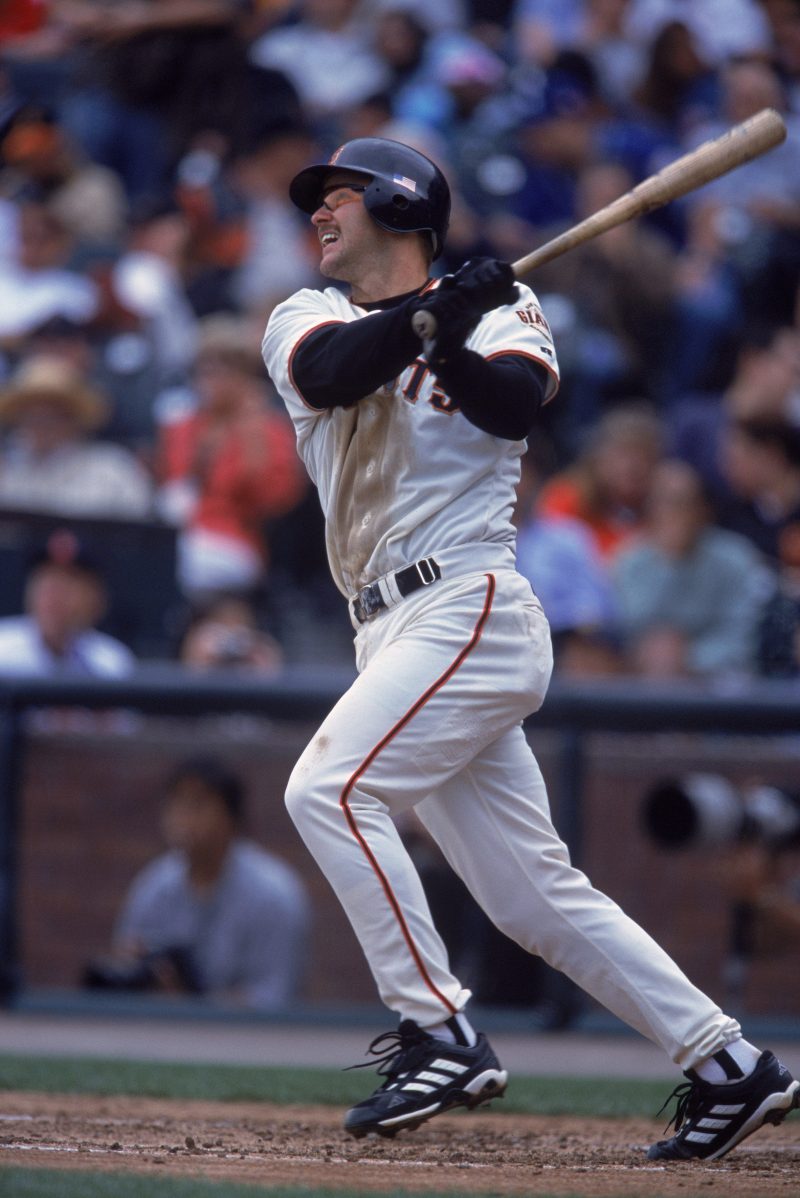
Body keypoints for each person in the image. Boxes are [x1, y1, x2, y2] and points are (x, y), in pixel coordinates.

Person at [261, 136, 798, 1158]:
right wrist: (427, 318)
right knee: (529, 895)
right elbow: (330, 376)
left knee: (326, 790)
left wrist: (450, 335)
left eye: (339, 196)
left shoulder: (505, 311)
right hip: (385, 627)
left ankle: (437, 1029)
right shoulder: (305, 314)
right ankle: (730, 1065)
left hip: (466, 606)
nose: (319, 214)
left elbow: (511, 404)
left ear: (400, 206)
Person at [84, 755, 311, 1011]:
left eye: (197, 804)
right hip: (157, 1030)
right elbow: (123, 972)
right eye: (175, 804)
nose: (182, 817)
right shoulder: (155, 886)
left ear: (231, 817)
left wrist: (191, 1007)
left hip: (244, 1035)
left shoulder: (273, 894)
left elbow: (273, 998)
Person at [611, 458, 774, 678]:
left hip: (717, 681)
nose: (676, 512)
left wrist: (690, 658)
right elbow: (620, 635)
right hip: (644, 681)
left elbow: (746, 634)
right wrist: (670, 561)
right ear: (650, 509)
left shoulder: (736, 559)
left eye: (685, 502)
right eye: (666, 501)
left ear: (703, 508)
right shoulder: (628, 562)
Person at [0, 354, 153, 519]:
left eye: (52, 416)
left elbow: (139, 527)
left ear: (74, 420)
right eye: (32, 417)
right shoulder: (7, 473)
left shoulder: (113, 470)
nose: (41, 426)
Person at [0, 527, 135, 677]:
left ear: (97, 599)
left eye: (68, 585)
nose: (54, 595)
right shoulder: (3, 651)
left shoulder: (111, 661)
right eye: (45, 582)